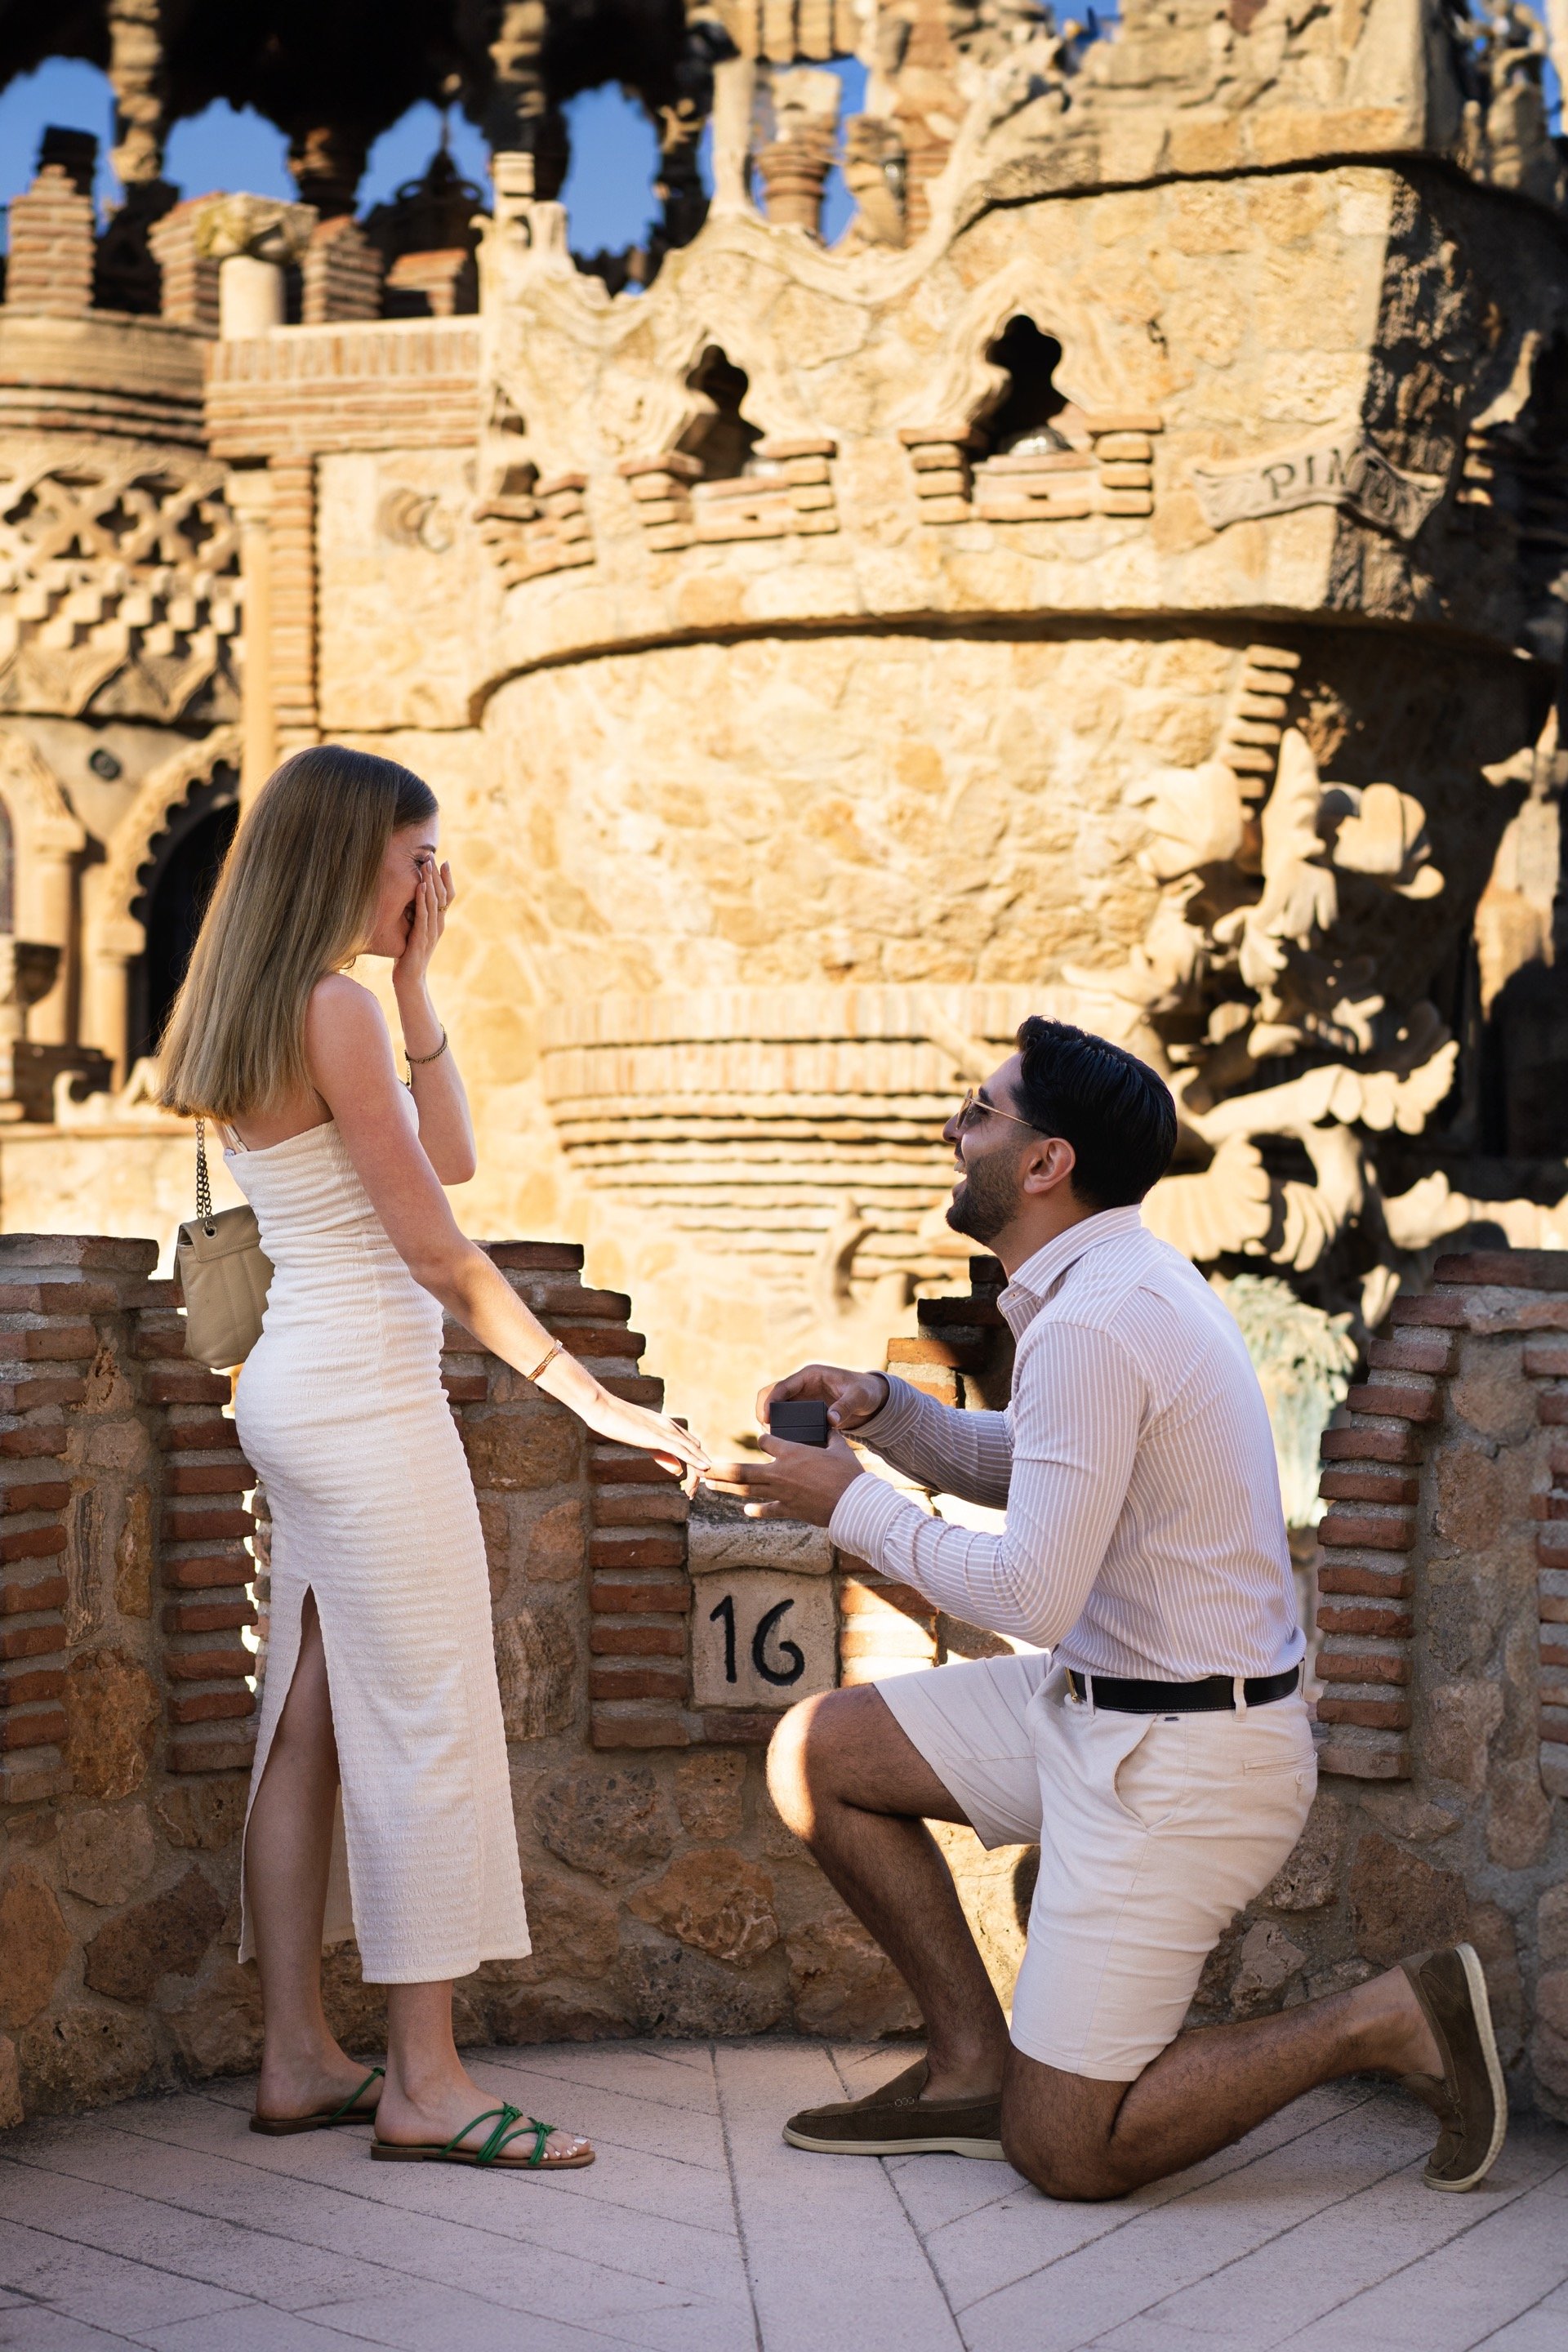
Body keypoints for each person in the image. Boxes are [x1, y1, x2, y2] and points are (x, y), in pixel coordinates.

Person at [706, 1018, 1505, 2202]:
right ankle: (973, 2064)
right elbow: (1045, 1460)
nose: (951, 1128)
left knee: (1068, 2153)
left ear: (1044, 1165)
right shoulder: (1109, 1281)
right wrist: (889, 1412)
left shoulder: (1093, 1318)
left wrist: (851, 1506)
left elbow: (1032, 1591)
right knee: (822, 1753)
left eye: (978, 1112)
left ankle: (1387, 2020)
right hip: (1101, 1708)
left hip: (1188, 1760)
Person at [161, 746, 708, 2173]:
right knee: (429, 1726)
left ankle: (298, 2057)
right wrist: (591, 1402)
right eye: (419, 857)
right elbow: (439, 1245)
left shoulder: (282, 1003)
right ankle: (427, 2078)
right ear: (357, 855)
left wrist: (417, 987)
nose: (434, 881)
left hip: (302, 1390)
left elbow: (445, 1154)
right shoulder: (327, 1007)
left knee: (312, 1721)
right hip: (364, 1397)